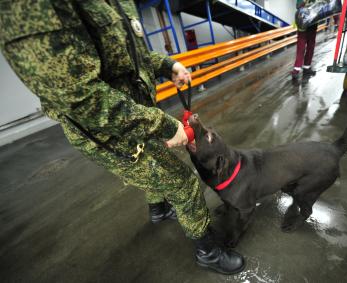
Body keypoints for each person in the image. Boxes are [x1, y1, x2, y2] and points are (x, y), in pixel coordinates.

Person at [0, 0, 244, 275]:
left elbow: (130, 57)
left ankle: (158, 209)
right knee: (182, 182)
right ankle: (208, 252)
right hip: (106, 130)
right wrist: (163, 124)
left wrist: (167, 65)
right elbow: (81, 98)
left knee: (154, 165)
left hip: (136, 114)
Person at [291, 0, 318, 79]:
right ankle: (296, 69)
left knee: (311, 47)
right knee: (301, 48)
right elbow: (298, 6)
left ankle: (307, 67)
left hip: (313, 24)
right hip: (302, 24)